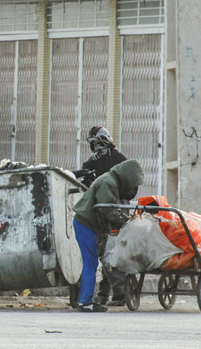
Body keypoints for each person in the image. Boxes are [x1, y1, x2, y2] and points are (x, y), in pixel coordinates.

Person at [72, 159, 144, 312]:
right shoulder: (108, 182)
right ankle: (85, 302)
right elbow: (107, 210)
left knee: (90, 263)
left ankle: (84, 300)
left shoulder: (109, 179)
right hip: (85, 224)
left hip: (86, 223)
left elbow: (105, 209)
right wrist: (126, 222)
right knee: (90, 263)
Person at [81, 126, 129, 306]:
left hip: (106, 211)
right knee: (113, 251)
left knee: (107, 252)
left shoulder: (93, 162)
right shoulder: (121, 159)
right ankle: (104, 294)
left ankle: (118, 295)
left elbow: (86, 185)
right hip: (120, 209)